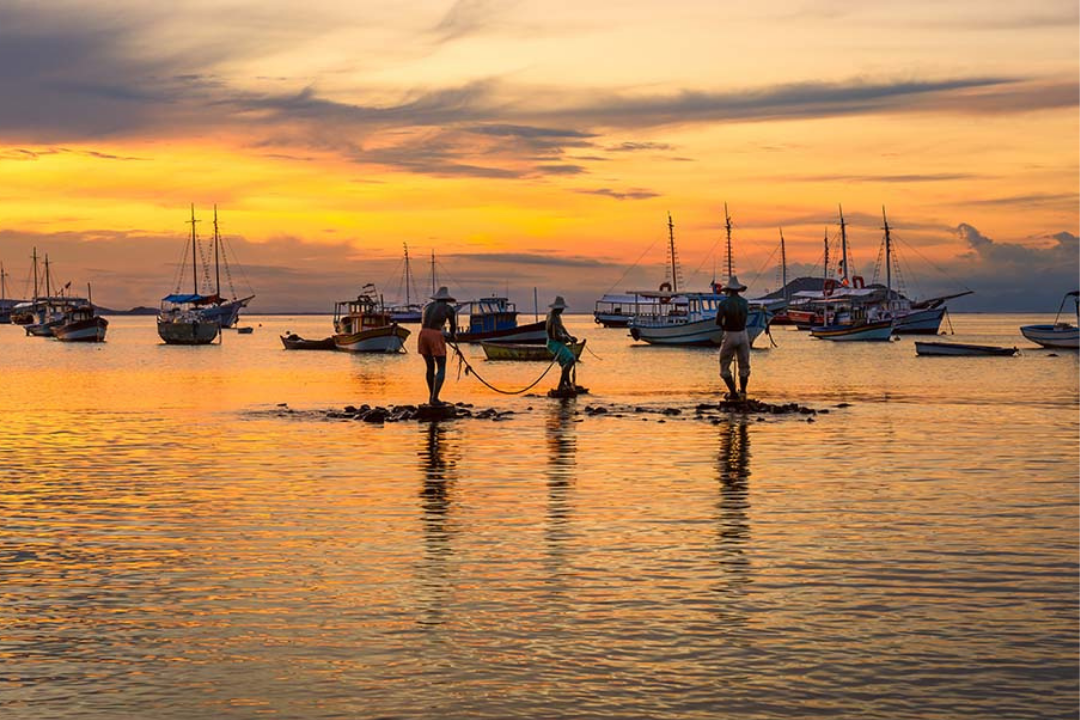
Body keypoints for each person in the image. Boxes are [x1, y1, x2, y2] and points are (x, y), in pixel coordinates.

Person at [418, 286, 458, 406]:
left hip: (423, 334)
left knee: (430, 367)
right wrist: (452, 336)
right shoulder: (448, 309)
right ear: (446, 299)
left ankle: (431, 397)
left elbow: (424, 322)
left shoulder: (427, 307)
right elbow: (453, 327)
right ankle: (435, 398)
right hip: (435, 334)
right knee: (441, 366)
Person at [715, 275, 751, 400]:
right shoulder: (745, 303)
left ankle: (733, 393)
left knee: (724, 366)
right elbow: (745, 319)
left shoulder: (724, 303)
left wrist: (724, 328)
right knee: (744, 365)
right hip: (743, 333)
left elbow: (718, 321)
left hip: (730, 334)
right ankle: (743, 393)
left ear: (728, 290)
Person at [545, 296, 578, 394]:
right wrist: (567, 338)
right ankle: (561, 385)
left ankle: (567, 384)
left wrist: (569, 337)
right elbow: (556, 335)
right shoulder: (552, 318)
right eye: (562, 308)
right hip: (554, 343)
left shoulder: (556, 316)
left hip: (556, 342)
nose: (562, 310)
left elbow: (562, 329)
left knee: (565, 364)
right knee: (570, 359)